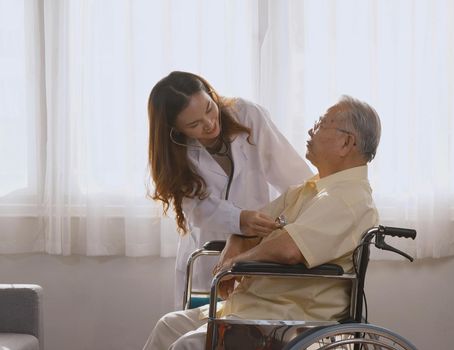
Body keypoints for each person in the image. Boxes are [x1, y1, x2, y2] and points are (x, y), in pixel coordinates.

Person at [143, 95, 382, 350]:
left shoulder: (348, 198)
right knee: (167, 326)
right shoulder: (307, 190)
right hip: (252, 305)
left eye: (321, 124)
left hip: (290, 316)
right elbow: (252, 226)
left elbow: (290, 250)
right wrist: (235, 244)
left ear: (346, 142)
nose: (311, 130)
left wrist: (238, 262)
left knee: (188, 346)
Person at [147, 71, 312, 309]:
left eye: (209, 108)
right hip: (207, 253)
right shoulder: (174, 154)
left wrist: (316, 208)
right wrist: (239, 219)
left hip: (256, 247)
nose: (209, 124)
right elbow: (195, 207)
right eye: (194, 124)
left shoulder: (247, 115)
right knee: (204, 334)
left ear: (211, 94)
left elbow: (290, 172)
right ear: (175, 130)